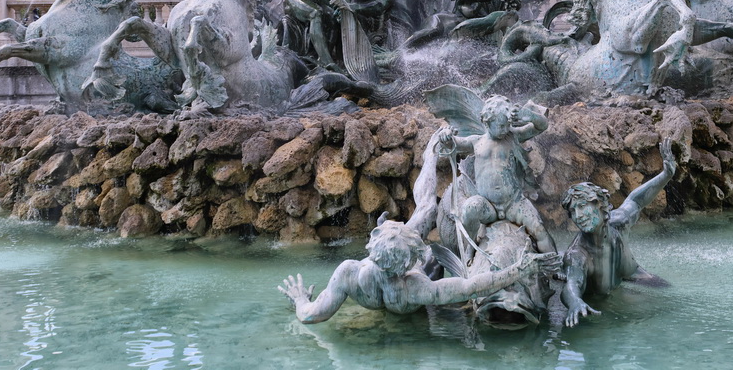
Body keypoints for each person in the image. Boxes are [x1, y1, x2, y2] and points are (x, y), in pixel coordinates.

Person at [278, 219, 556, 323]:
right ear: (409, 263)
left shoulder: (347, 273)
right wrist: (517, 271)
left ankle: (429, 162)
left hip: (390, 277)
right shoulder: (415, 287)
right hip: (415, 297)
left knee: (423, 216)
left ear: (372, 244)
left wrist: (300, 298)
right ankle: (429, 161)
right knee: (430, 246)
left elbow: (310, 315)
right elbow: (471, 286)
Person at [560, 138, 678, 327]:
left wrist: (666, 175)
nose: (578, 215)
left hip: (634, 276)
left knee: (673, 297)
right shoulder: (578, 256)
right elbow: (571, 285)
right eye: (573, 211)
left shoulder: (618, 222)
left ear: (601, 206)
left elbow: (637, 200)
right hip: (603, 305)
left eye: (582, 206)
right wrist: (575, 301)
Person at [438, 95, 556, 257]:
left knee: (539, 230)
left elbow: (542, 126)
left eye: (507, 125)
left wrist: (530, 116)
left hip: (513, 203)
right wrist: (446, 136)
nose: (505, 130)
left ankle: (554, 266)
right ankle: (470, 246)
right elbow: (453, 145)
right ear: (487, 123)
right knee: (469, 209)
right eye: (501, 126)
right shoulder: (476, 142)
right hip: (488, 206)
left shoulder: (513, 136)